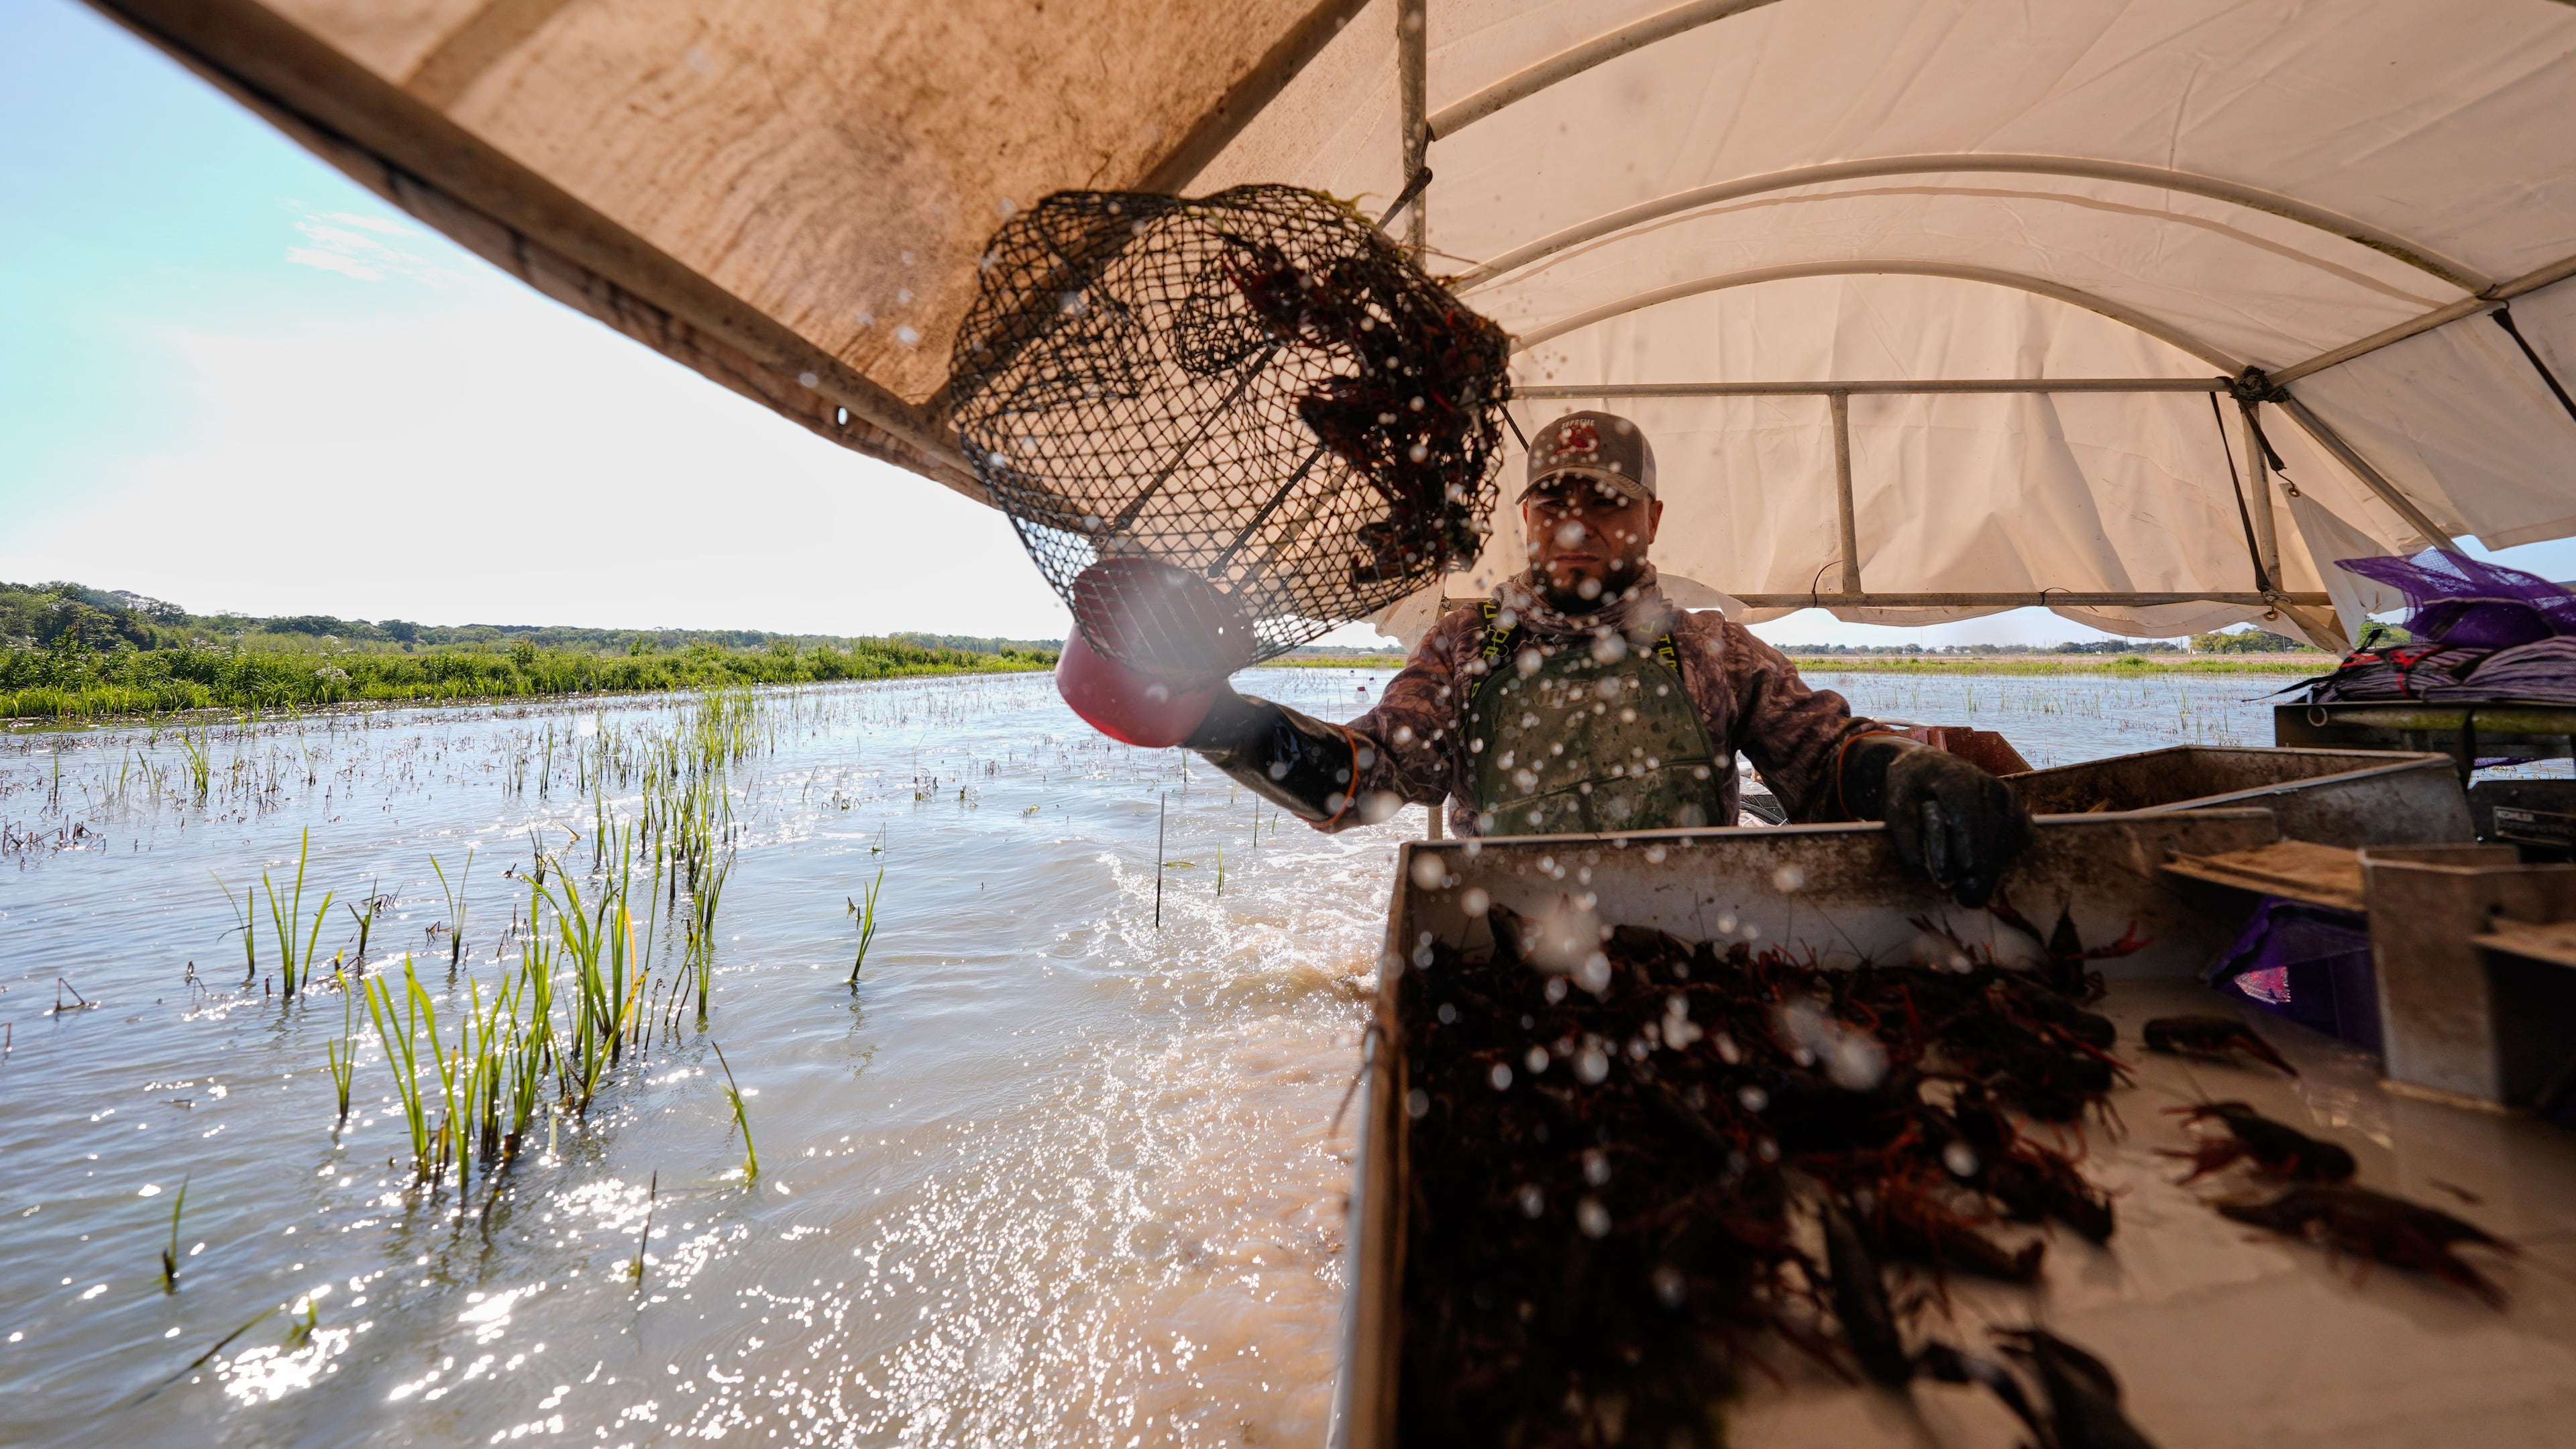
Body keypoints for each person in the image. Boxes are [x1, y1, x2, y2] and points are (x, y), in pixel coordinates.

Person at [1125, 411, 2033, 906]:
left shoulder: (1711, 646)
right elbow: (1368, 780)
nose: (1576, 526)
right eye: (1553, 502)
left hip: (1698, 940)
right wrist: (1216, 722)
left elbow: (1824, 760)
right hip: (1513, 953)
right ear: (1522, 519)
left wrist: (1907, 769)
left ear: (1650, 521)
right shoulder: (1464, 644)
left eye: (1606, 503)